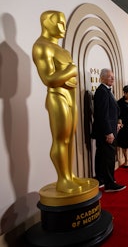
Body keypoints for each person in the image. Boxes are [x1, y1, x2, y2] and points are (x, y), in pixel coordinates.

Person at [32, 10, 89, 193]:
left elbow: (63, 77)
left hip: (70, 96)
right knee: (60, 139)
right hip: (58, 96)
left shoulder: (62, 50)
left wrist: (68, 75)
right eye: (59, 23)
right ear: (47, 23)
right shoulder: (42, 46)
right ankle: (62, 179)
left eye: (64, 23)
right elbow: (48, 79)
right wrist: (71, 71)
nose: (63, 27)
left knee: (70, 137)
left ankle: (69, 175)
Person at [92, 68, 126, 192]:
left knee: (101, 155)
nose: (113, 78)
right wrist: (108, 132)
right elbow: (102, 114)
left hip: (109, 128)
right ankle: (110, 184)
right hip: (106, 131)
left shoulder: (105, 90)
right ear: (102, 78)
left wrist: (117, 122)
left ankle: (101, 180)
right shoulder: (102, 91)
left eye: (113, 76)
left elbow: (111, 111)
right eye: (110, 76)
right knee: (109, 157)